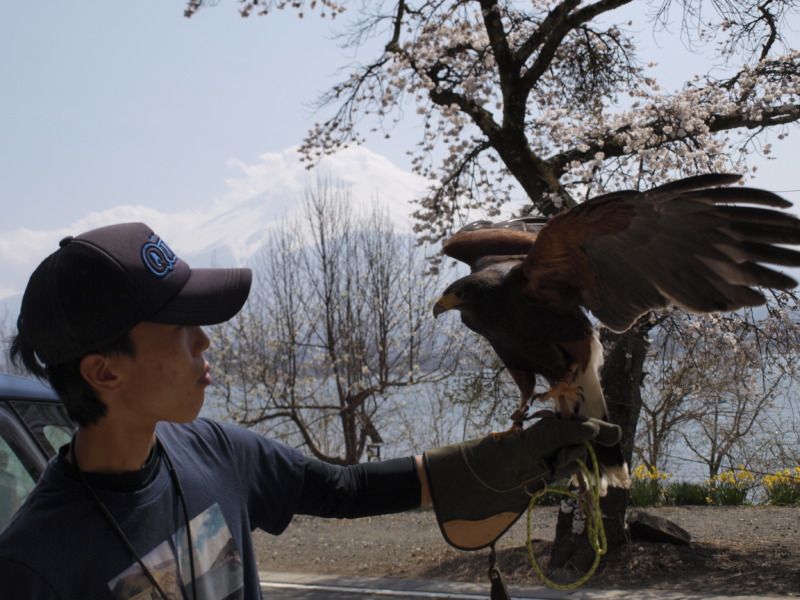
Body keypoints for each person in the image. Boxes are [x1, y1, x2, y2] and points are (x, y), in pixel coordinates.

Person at [0, 222, 620, 599]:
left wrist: (505, 461)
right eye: (180, 327)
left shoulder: (219, 452)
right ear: (104, 371)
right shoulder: (33, 565)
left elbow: (345, 489)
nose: (206, 341)